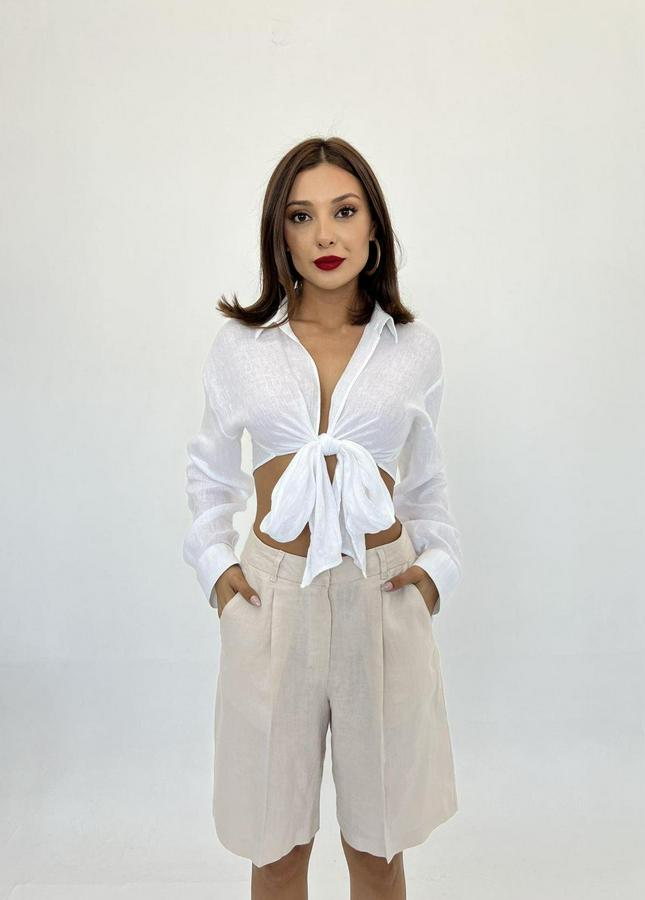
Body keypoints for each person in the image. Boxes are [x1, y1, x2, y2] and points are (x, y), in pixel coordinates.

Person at [182, 136, 463, 899]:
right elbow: (210, 473)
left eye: (344, 211)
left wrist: (432, 575)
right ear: (280, 232)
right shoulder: (243, 347)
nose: (325, 235)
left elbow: (426, 484)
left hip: (383, 594)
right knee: (274, 845)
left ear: (374, 226)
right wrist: (218, 571)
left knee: (377, 845)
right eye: (302, 216)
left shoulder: (414, 349)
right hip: (272, 597)